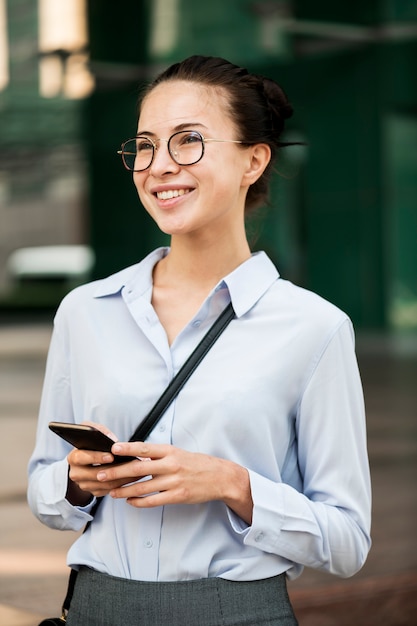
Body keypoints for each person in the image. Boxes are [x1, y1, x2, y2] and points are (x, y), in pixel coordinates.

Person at [28, 55, 371, 625]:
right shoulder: (85, 312)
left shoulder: (314, 327)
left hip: (238, 612)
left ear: (253, 161)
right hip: (97, 608)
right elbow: (46, 489)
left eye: (188, 141)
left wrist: (233, 484)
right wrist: (75, 482)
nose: (159, 165)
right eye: (145, 145)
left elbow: (348, 541)